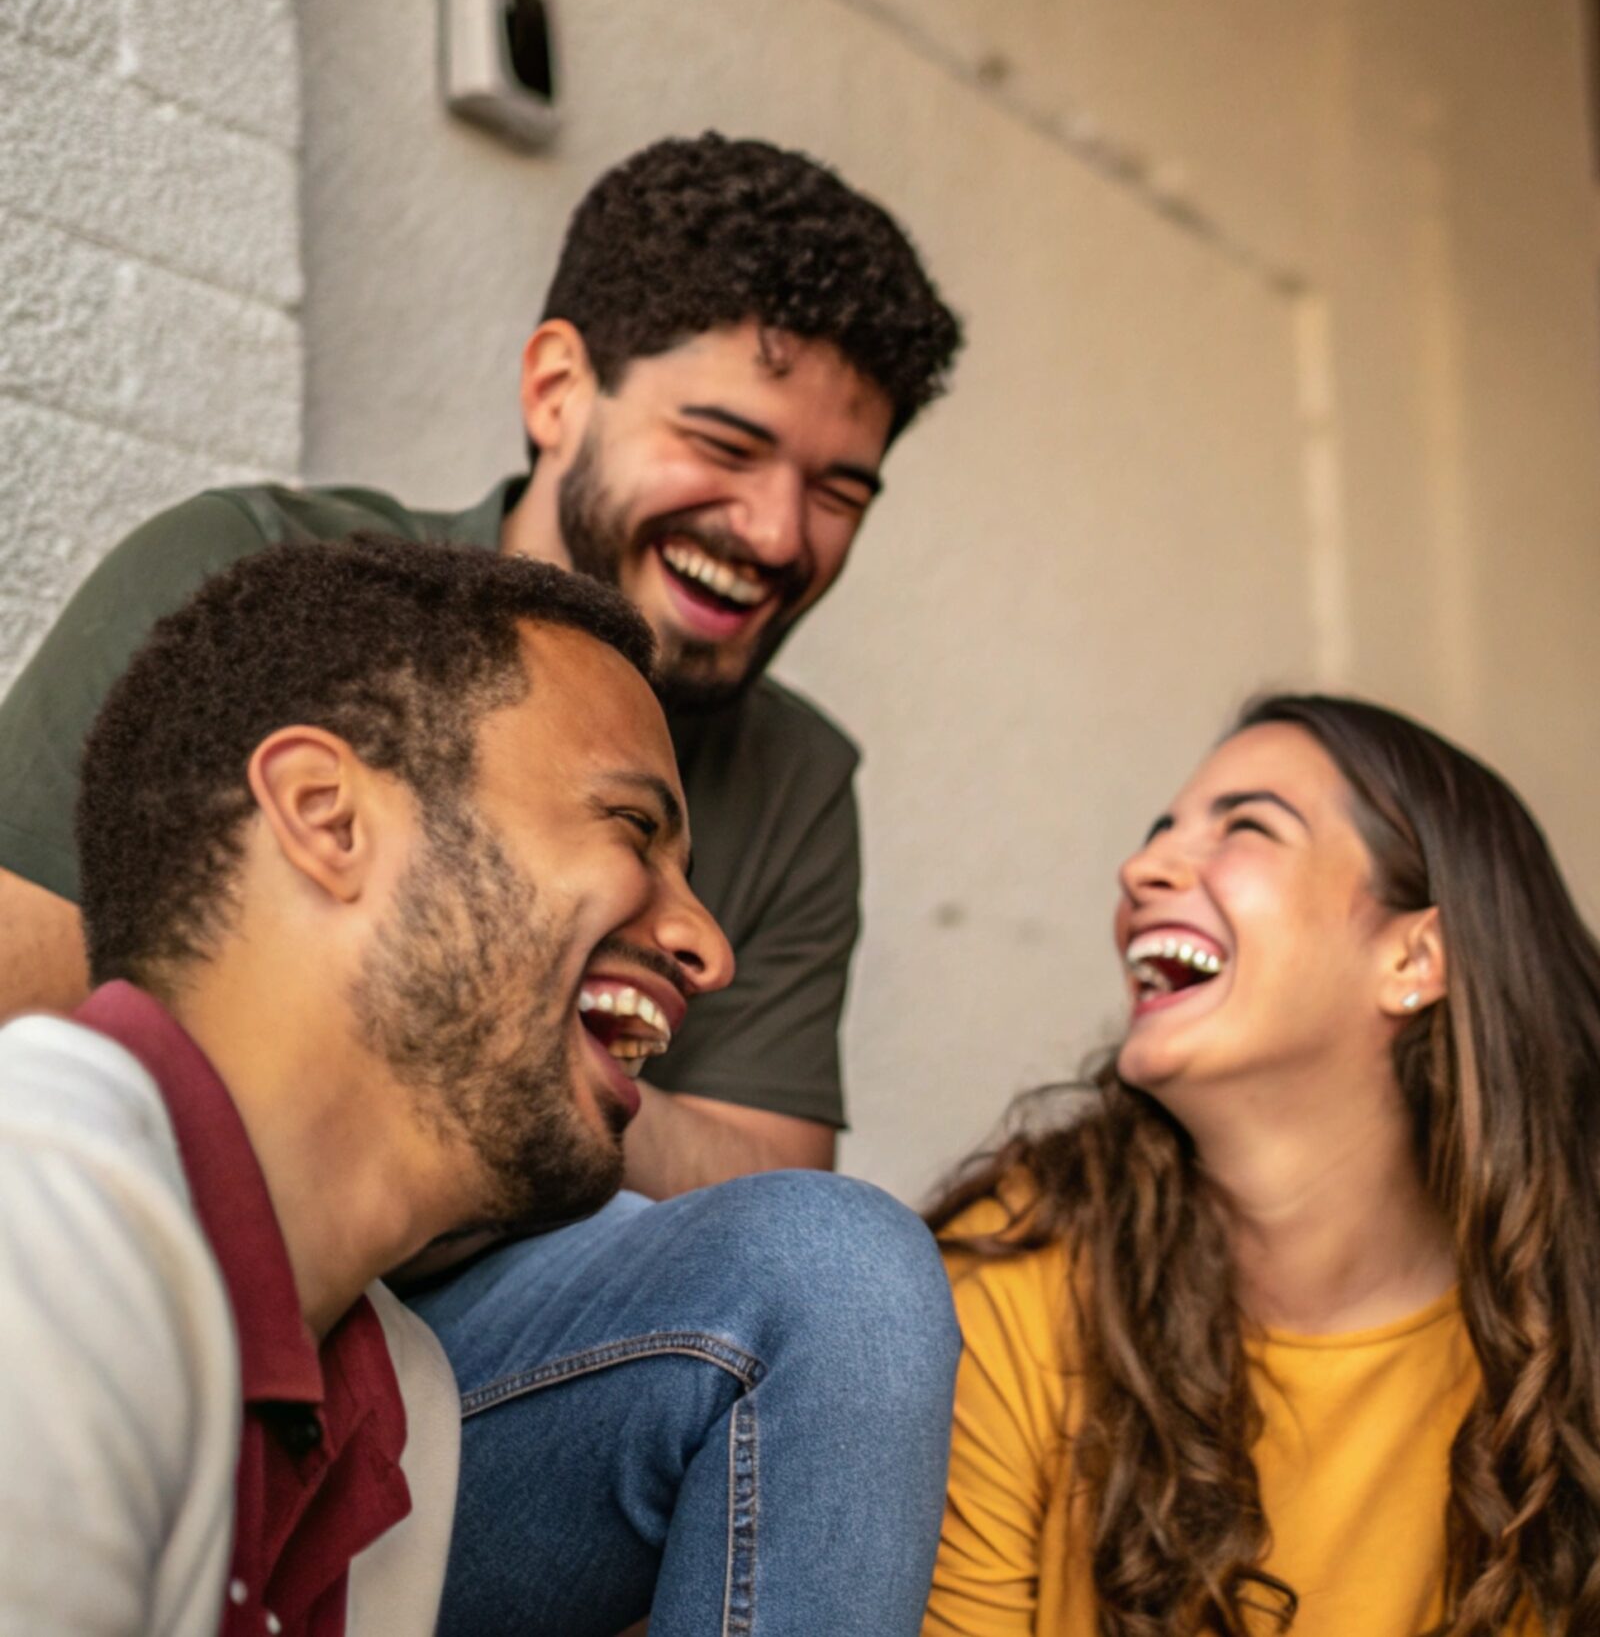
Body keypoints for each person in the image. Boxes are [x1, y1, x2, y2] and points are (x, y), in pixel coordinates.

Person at [0, 136, 965, 1634]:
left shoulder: (798, 775)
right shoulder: (262, 585)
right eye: (725, 442)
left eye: (839, 489)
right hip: (169, 1267)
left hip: (456, 1368)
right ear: (558, 389)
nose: (777, 533)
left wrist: (466, 1021)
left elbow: (771, 1182)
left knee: (840, 1272)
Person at [0, 537, 732, 1633]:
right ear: (326, 813)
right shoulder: (36, 1212)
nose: (707, 946)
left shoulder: (405, 1401)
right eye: (631, 824)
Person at [924, 694, 1600, 1637]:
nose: (1142, 868)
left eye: (1245, 827)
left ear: (1413, 957)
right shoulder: (1013, 1274)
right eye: (1159, 833)